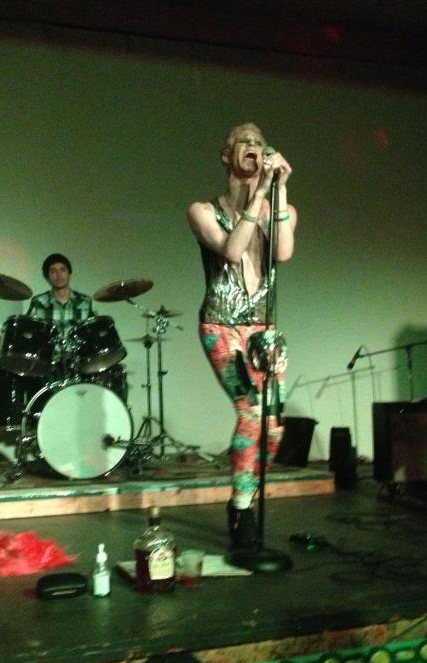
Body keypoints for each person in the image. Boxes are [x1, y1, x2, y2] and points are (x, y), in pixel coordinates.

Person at [186, 122, 297, 550]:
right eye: (244, 141)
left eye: (259, 142)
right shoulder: (202, 210)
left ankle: (246, 495)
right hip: (221, 325)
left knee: (274, 426)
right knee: (250, 411)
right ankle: (241, 507)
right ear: (226, 154)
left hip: (264, 328)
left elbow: (283, 252)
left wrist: (277, 189)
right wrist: (260, 193)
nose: (253, 147)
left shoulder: (280, 208)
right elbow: (232, 251)